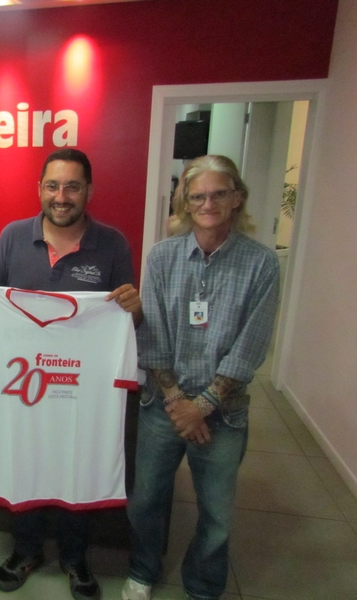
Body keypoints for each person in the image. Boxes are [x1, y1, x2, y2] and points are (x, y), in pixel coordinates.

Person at [0, 148, 142, 600]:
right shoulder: (13, 236)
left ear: (88, 191)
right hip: (22, 385)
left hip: (80, 389)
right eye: (52, 186)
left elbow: (127, 322)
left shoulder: (113, 244)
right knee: (24, 459)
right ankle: (25, 551)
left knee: (77, 463)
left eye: (72, 187)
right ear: (39, 189)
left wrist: (133, 309)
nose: (61, 196)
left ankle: (74, 557)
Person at [122, 155, 280, 600]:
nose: (207, 204)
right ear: (185, 203)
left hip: (223, 414)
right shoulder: (162, 257)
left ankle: (204, 587)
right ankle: (143, 571)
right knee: (146, 500)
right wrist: (177, 402)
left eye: (218, 194)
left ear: (237, 198)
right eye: (197, 196)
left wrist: (203, 406)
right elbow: (153, 334)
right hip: (163, 405)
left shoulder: (262, 264)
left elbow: (250, 345)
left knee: (216, 514)